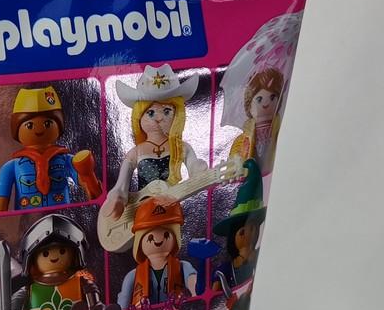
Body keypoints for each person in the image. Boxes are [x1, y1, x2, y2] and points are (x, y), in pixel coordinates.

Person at [103, 64, 205, 220]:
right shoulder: (137, 152)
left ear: (178, 114)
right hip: (142, 212)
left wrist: (199, 170)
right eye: (150, 112)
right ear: (138, 116)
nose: (159, 118)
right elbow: (121, 183)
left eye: (167, 111)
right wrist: (118, 195)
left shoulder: (181, 148)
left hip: (172, 211)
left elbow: (194, 168)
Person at [0, 86, 101, 211]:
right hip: (29, 221)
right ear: (16, 129)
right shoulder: (11, 167)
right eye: (29, 125)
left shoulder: (67, 161)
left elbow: (93, 193)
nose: (39, 129)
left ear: (59, 126)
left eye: (47, 123)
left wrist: (87, 174)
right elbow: (0, 207)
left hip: (63, 218)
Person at [5, 214, 102, 310]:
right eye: (45, 253)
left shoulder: (83, 283)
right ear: (32, 260)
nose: (54, 256)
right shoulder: (27, 292)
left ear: (75, 254)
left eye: (62, 251)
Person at [117, 197, 197, 310]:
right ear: (140, 241)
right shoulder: (133, 276)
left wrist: (195, 291)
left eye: (166, 234)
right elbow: (123, 305)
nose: (158, 239)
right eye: (150, 237)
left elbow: (192, 282)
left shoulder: (182, 267)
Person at [211, 159, 267, 292]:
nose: (252, 231)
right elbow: (215, 292)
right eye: (245, 230)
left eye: (255, 227)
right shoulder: (226, 268)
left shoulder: (261, 256)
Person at [226, 67, 283, 177]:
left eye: (272, 97)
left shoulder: (280, 127)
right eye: (259, 99)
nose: (266, 103)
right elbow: (233, 163)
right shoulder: (243, 139)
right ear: (249, 106)